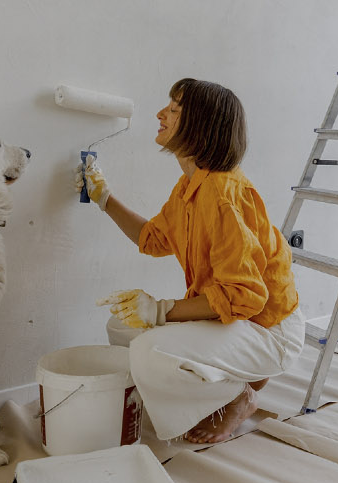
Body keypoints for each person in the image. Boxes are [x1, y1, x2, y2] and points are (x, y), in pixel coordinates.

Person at [75, 78, 302, 444]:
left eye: (174, 110)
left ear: (200, 127)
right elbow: (154, 239)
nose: (160, 114)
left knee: (149, 350)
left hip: (269, 328)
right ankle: (240, 376)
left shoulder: (223, 195)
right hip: (243, 319)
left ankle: (237, 396)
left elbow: (246, 296)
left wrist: (161, 310)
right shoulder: (190, 187)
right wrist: (104, 198)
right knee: (122, 328)